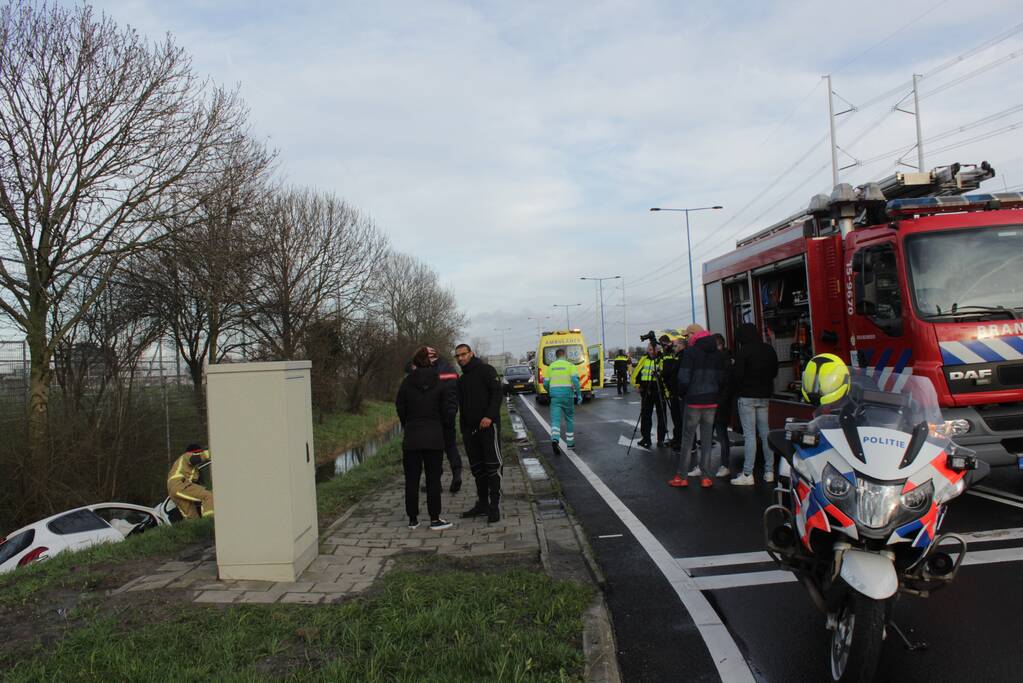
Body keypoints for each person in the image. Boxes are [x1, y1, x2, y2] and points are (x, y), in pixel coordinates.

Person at [396, 347, 454, 530]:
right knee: (433, 480)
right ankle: (435, 519)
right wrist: (441, 425)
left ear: (414, 362)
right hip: (434, 437)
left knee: (411, 480)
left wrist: (408, 423)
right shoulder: (439, 382)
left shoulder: (406, 383)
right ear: (430, 362)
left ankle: (413, 519)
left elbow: (400, 406)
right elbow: (446, 408)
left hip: (412, 437)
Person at [669, 326, 730, 488]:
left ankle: (682, 476)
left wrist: (683, 393)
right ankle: (706, 477)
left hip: (694, 400)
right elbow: (722, 378)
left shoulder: (690, 352)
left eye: (687, 335)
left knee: (688, 439)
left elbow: (683, 378)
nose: (686, 338)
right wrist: (716, 394)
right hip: (711, 400)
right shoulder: (717, 353)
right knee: (707, 439)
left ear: (694, 335)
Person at [454, 343, 504, 523]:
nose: (460, 358)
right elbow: (461, 406)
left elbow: (497, 394)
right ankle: (482, 504)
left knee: (492, 467)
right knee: (477, 469)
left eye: (463, 354)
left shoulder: (486, 370)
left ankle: (494, 507)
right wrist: (463, 429)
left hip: (488, 428)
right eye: (457, 356)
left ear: (471, 353)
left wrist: (489, 416)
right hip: (470, 432)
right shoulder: (461, 380)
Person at [405, 347, 463, 494]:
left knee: (434, 451)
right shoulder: (449, 368)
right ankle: (457, 474)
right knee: (451, 446)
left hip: (433, 418)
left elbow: (408, 368)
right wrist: (452, 412)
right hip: (450, 414)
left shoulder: (428, 371)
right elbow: (455, 392)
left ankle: (435, 482)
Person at [730, 323, 779, 486]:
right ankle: (769, 472)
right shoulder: (769, 350)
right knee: (765, 434)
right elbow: (775, 372)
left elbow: (737, 375)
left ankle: (747, 474)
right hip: (764, 396)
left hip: (747, 397)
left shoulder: (743, 352)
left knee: (750, 436)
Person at [544, 347, 582, 452]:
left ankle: (555, 439)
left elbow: (546, 383)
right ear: (565, 355)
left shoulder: (551, 367)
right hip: (568, 396)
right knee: (569, 419)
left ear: (556, 356)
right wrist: (579, 395)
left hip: (555, 397)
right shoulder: (570, 365)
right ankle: (570, 444)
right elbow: (575, 381)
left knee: (555, 420)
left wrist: (549, 391)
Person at [632, 343, 666, 448]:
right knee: (645, 415)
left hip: (659, 390)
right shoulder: (644, 358)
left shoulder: (662, 359)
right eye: (649, 349)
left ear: (657, 350)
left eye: (652, 350)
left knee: (662, 415)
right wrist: (637, 385)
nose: (651, 352)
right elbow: (636, 372)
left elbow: (666, 374)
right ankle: (646, 438)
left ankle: (661, 439)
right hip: (646, 390)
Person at [167, 444, 213, 519]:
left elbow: (197, 485)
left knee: (192, 516)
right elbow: (195, 459)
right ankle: (210, 520)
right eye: (199, 453)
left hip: (174, 490)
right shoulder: (186, 456)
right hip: (180, 484)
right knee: (208, 496)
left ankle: (197, 525)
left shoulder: (188, 468)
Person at [711, 333, 734, 479]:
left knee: (722, 435)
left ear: (719, 345)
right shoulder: (721, 359)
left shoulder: (725, 361)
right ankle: (703, 465)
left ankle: (725, 465)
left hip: (720, 404)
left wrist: (719, 401)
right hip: (714, 402)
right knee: (708, 434)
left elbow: (725, 384)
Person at [658, 335, 683, 449]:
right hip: (671, 388)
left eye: (664, 344)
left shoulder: (674, 354)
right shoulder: (666, 354)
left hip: (676, 388)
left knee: (679, 417)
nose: (663, 347)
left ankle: (680, 440)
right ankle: (676, 438)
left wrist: (661, 374)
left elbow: (669, 371)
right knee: (675, 416)